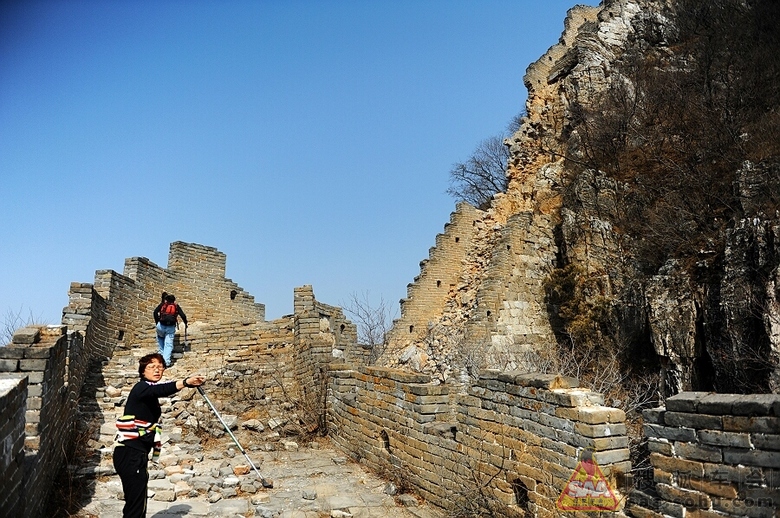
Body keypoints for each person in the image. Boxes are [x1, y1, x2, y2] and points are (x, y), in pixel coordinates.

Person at [113, 353, 205, 518]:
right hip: (130, 453)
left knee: (136, 503)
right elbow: (161, 390)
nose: (157, 370)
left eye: (160, 366)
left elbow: (159, 391)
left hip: (135, 454)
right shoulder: (141, 388)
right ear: (143, 371)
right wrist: (185, 382)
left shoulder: (148, 393)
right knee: (135, 507)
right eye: (152, 367)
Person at [153, 293, 187, 367]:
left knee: (160, 339)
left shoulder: (163, 304)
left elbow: (155, 312)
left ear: (166, 299)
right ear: (174, 300)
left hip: (161, 326)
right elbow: (183, 315)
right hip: (171, 327)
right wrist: (186, 323)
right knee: (168, 344)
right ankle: (166, 362)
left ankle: (161, 357)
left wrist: (157, 322)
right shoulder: (176, 306)